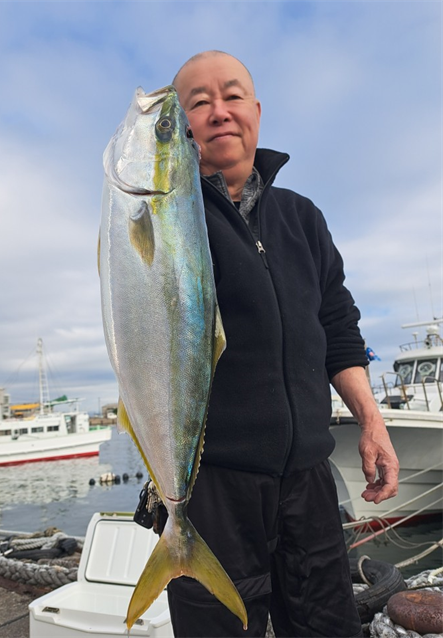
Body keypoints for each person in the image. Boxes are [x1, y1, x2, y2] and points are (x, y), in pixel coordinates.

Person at [163, 50, 400, 638]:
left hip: (309, 479)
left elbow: (337, 326)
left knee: (328, 627)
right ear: (181, 128)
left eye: (232, 95)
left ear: (257, 111)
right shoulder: (167, 218)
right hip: (211, 484)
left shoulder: (303, 217)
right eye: (198, 102)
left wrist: (371, 422)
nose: (219, 111)